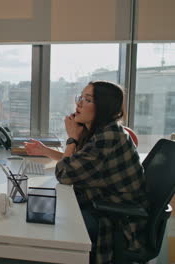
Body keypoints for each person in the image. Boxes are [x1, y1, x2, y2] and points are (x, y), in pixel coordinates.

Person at [25, 81, 148, 264]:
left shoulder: (108, 137)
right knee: (47, 212)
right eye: (80, 97)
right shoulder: (103, 131)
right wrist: (44, 150)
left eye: (87, 99)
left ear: (103, 106)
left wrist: (72, 138)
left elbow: (65, 174)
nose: (79, 104)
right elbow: (78, 163)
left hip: (115, 221)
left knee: (51, 224)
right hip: (101, 206)